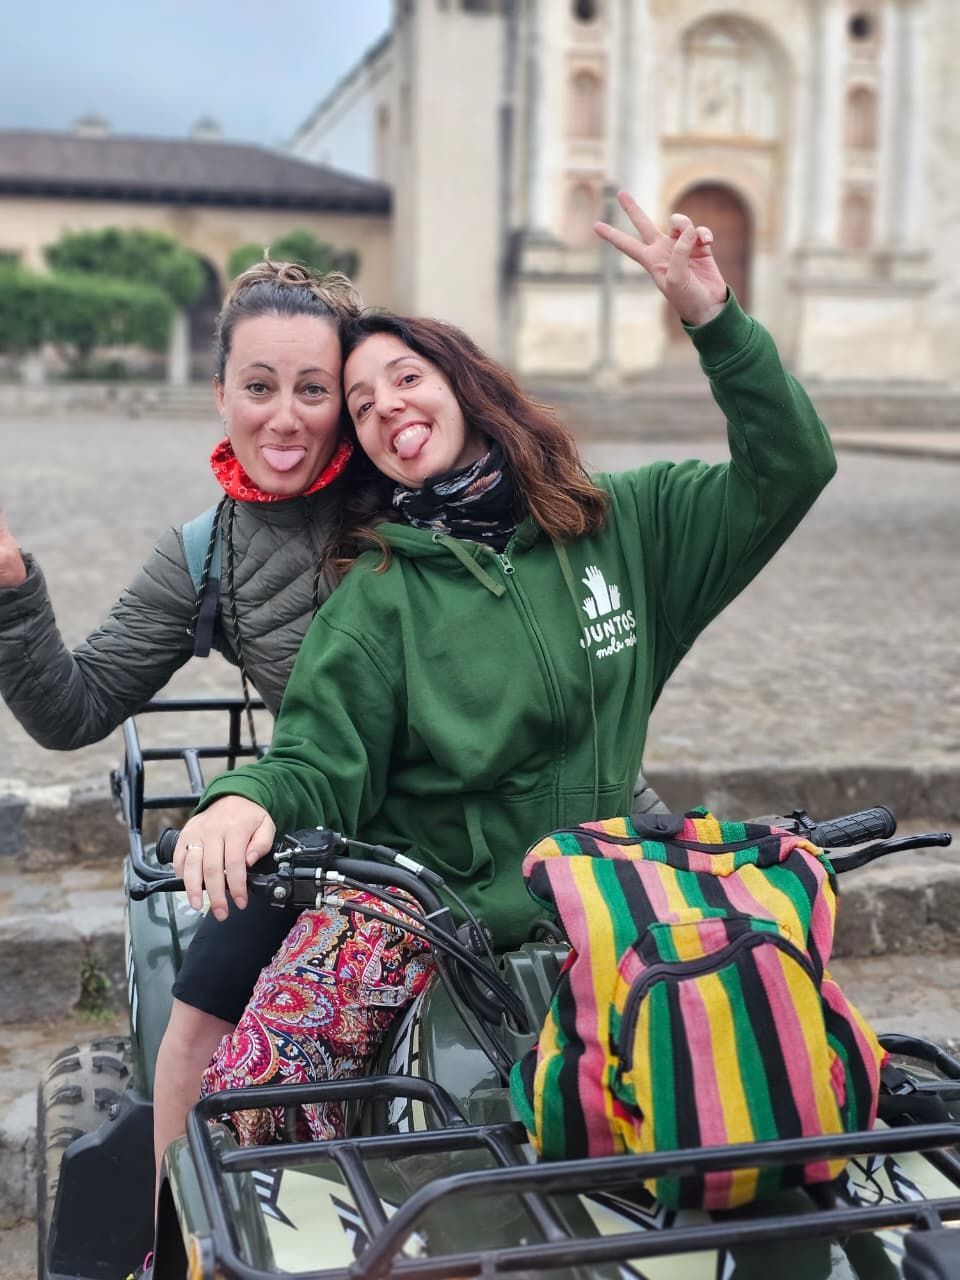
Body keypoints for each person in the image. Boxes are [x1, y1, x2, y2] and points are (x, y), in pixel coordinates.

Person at [172, 193, 837, 1143]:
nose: (386, 407)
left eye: (405, 378)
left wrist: (711, 317)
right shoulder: (379, 594)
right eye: (360, 406)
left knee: (765, 1065)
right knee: (247, 1111)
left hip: (601, 886)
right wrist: (247, 802)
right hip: (420, 905)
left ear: (465, 382)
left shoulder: (625, 525)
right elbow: (320, 757)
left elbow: (791, 468)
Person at [0, 256, 367, 1167]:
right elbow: (72, 709)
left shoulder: (406, 499)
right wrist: (9, 589)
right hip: (312, 823)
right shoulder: (204, 555)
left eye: (313, 389)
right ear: (221, 394)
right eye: (260, 386)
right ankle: (185, 1240)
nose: (285, 417)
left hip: (473, 817)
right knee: (192, 1043)